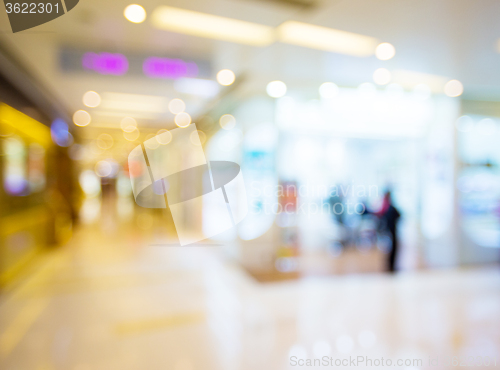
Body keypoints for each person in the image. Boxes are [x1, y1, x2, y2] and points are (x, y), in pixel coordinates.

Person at [378, 191, 401, 272]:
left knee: (392, 250)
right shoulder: (387, 208)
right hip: (390, 231)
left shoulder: (389, 208)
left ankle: (391, 266)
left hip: (391, 231)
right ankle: (390, 266)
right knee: (390, 250)